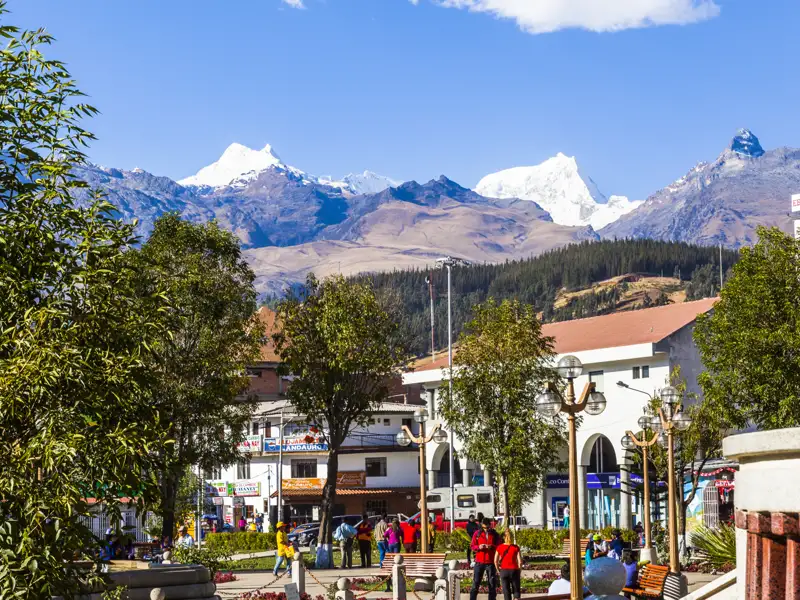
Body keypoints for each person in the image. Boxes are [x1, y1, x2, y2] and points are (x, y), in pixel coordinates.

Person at [469, 517, 501, 600]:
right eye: (484, 527)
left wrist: (492, 547)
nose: (486, 529)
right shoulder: (477, 534)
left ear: (490, 526)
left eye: (487, 527)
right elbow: (472, 546)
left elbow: (499, 546)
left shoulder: (494, 534)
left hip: (490, 562)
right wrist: (479, 547)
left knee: (492, 585)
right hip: (479, 562)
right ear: (481, 526)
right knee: (475, 584)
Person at [494, 529, 521, 600]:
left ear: (503, 537)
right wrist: (519, 570)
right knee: (516, 590)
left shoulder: (499, 547)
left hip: (504, 571)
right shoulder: (516, 547)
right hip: (514, 570)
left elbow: (495, 561)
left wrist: (498, 570)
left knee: (506, 591)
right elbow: (520, 562)